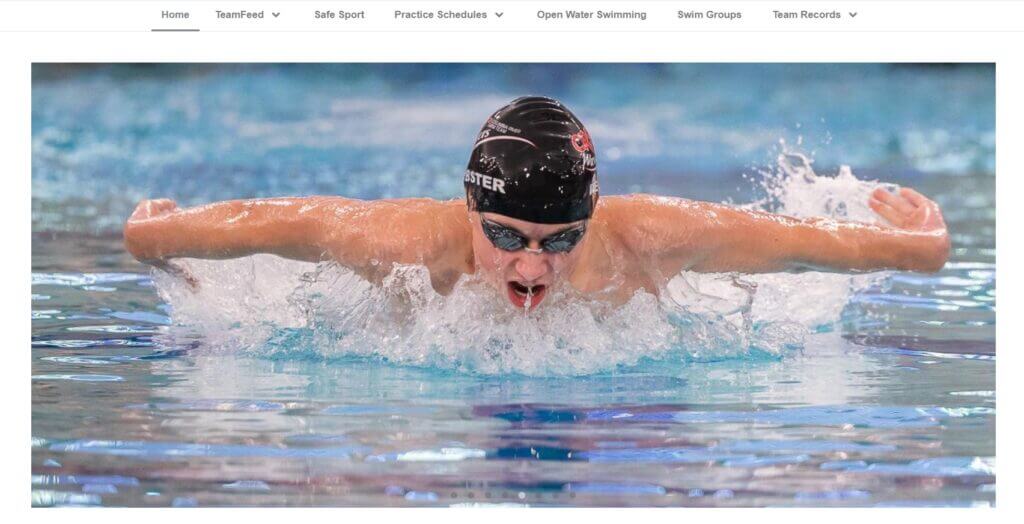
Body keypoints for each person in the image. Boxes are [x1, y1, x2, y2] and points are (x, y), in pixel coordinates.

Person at [124, 96, 950, 310]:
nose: (530, 265)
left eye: (560, 240)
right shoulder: (405, 242)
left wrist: (919, 244)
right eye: (506, 235)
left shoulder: (647, 239)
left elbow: (798, 243)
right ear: (467, 209)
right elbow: (282, 221)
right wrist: (156, 236)